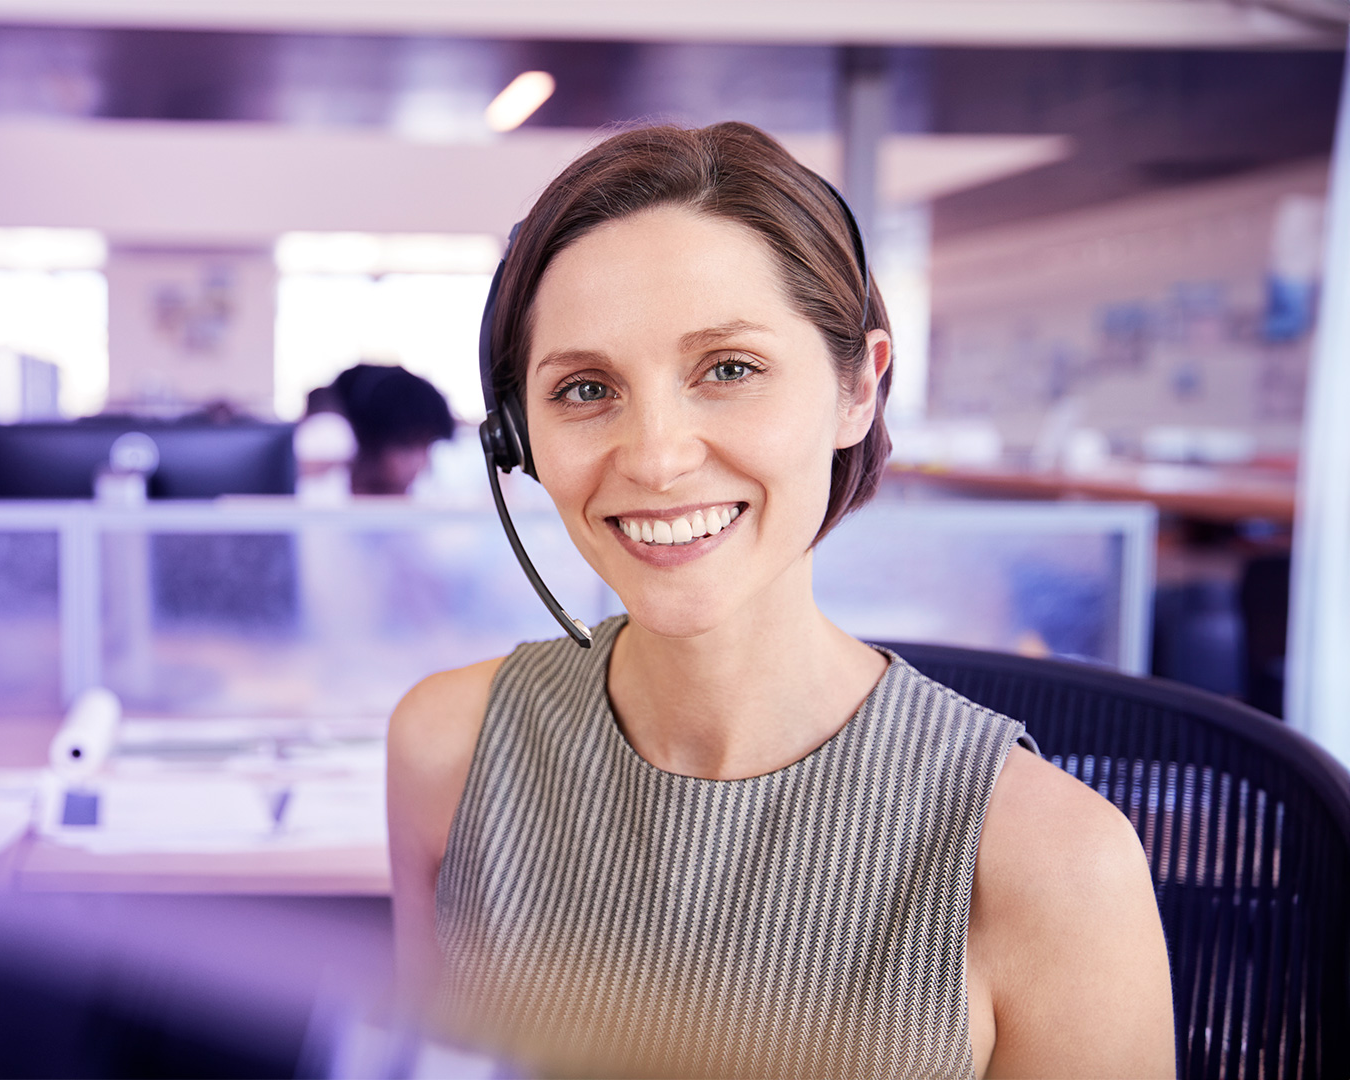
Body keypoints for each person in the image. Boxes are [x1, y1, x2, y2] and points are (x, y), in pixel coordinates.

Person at [387, 123, 1174, 1078]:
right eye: (586, 388)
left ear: (857, 390)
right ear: (518, 435)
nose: (656, 457)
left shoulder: (1056, 864)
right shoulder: (450, 750)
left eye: (728, 369)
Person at [310, 363, 456, 495]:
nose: (420, 462)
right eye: (407, 445)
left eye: (427, 445)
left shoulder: (427, 505)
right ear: (367, 441)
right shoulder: (318, 502)